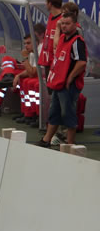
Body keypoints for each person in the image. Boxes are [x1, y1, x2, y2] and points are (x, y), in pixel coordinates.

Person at [36, 12, 87, 148]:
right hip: (58, 83)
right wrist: (58, 28)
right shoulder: (63, 38)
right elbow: (55, 47)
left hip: (69, 85)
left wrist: (70, 78)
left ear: (75, 24)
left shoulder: (77, 42)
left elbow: (82, 62)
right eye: (62, 23)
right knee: (54, 112)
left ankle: (70, 144)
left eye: (67, 23)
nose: (64, 26)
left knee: (68, 113)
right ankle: (46, 140)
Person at [0, 24, 45, 120]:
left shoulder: (41, 49)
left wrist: (24, 60)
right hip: (27, 72)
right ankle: (8, 76)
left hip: (37, 77)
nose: (26, 46)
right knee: (7, 59)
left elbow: (32, 72)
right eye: (25, 43)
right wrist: (19, 72)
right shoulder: (32, 51)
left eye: (29, 43)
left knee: (7, 78)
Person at [37, 0, 63, 78]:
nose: (45, 4)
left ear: (50, 4)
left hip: (56, 64)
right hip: (47, 61)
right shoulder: (51, 16)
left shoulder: (62, 21)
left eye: (46, 1)